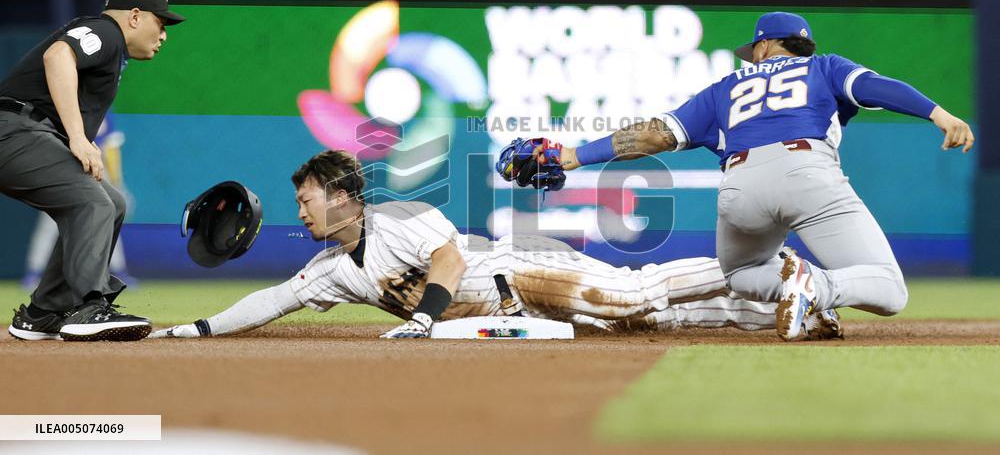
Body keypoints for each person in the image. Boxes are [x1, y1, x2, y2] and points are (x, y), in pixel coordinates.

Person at [522, 11, 974, 341]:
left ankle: (798, 285)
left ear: (764, 46)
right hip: (807, 173)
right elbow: (875, 87)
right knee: (889, 290)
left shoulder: (726, 88)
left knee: (741, 274)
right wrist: (937, 113)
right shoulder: (824, 66)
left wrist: (573, 155)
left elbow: (654, 135)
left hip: (739, 186)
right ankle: (817, 286)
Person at [152, 150, 835, 340]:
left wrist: (424, 318)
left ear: (341, 196)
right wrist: (196, 328)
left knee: (633, 295)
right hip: (513, 315)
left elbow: (448, 261)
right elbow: (272, 300)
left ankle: (773, 265)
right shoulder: (333, 269)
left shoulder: (398, 217)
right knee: (650, 322)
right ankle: (790, 311)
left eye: (307, 198)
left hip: (521, 272)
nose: (300, 210)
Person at [2, 0, 184, 342]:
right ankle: (89, 306)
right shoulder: (106, 31)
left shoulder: (111, 46)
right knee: (95, 203)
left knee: (112, 202)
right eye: (160, 22)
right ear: (135, 16)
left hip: (24, 133)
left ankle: (43, 313)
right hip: (14, 130)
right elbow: (57, 55)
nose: (164, 34)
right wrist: (77, 137)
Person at [21, 112, 136, 290]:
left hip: (95, 171)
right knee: (50, 224)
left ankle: (118, 271)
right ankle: (34, 272)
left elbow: (111, 149)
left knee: (108, 220)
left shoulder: (102, 111)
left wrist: (117, 182)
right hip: (63, 169)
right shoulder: (59, 108)